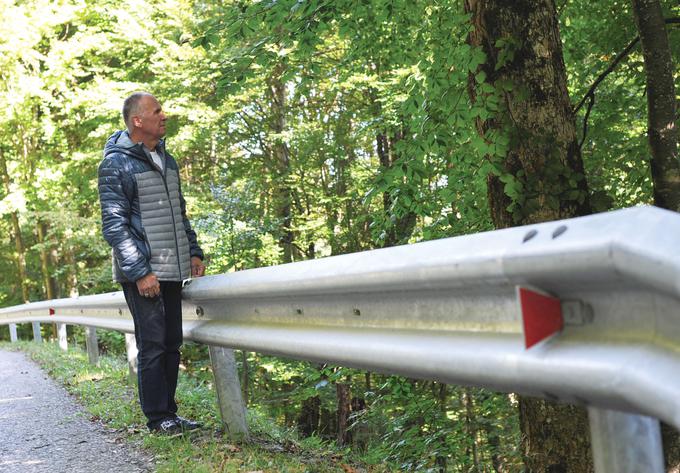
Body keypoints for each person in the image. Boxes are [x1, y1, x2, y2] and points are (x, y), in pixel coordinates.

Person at [97, 91, 206, 434]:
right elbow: (114, 226)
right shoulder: (115, 163)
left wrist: (193, 250)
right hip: (142, 272)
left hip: (172, 267)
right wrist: (141, 272)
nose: (164, 115)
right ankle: (158, 419)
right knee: (153, 344)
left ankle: (170, 414)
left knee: (172, 341)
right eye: (157, 110)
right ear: (137, 121)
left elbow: (179, 211)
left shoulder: (166, 159)